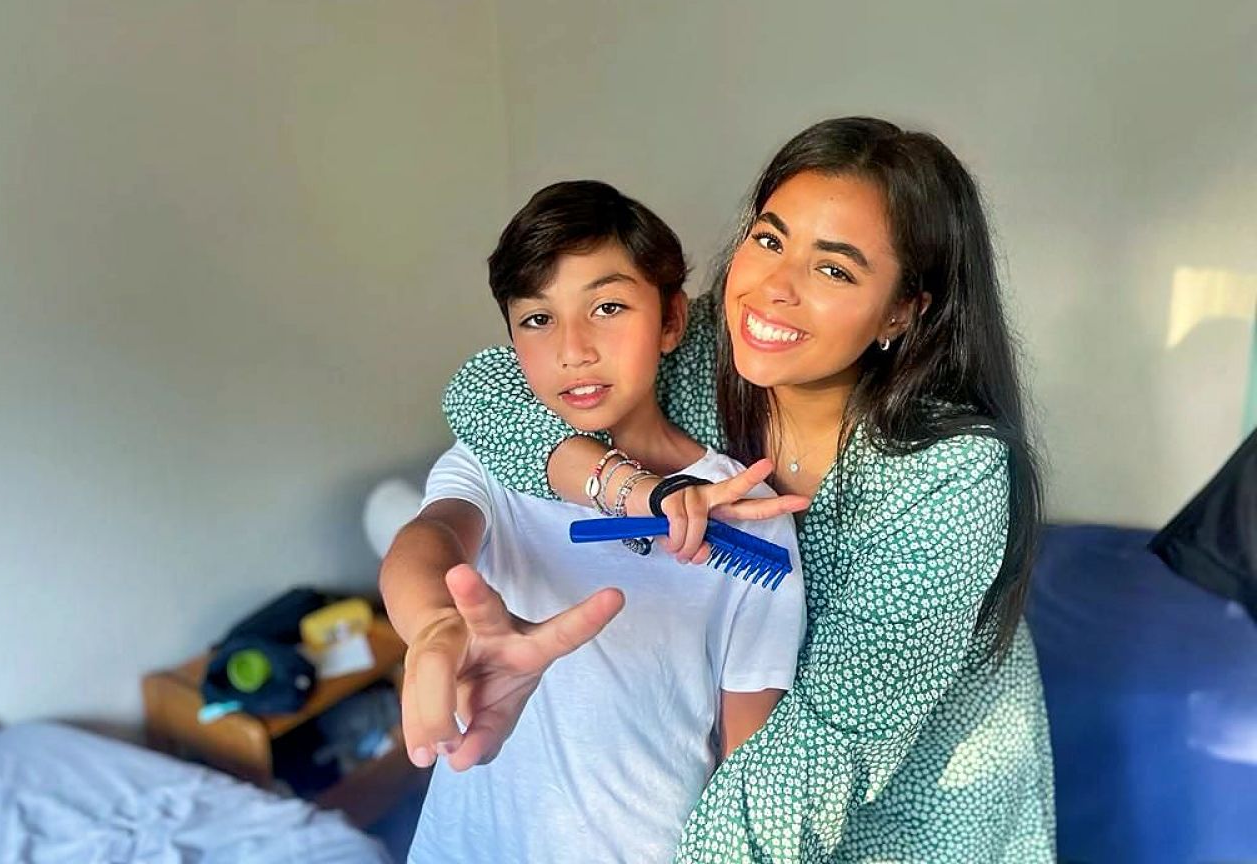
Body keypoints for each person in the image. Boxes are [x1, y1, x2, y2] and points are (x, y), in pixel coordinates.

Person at [439, 118, 1056, 862]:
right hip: (740, 766)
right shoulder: (706, 348)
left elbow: (828, 740)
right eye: (768, 240)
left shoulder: (951, 473)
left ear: (902, 309)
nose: (773, 290)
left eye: (834, 271)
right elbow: (486, 387)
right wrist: (625, 487)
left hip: (914, 802)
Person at [380, 180, 807, 864]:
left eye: (607, 307)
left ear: (671, 321)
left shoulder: (745, 514)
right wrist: (434, 626)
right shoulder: (495, 461)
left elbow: (746, 758)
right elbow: (428, 540)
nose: (572, 349)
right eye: (537, 319)